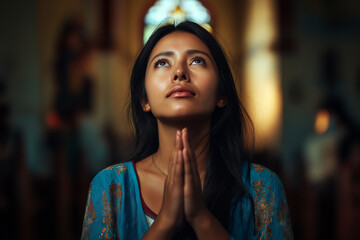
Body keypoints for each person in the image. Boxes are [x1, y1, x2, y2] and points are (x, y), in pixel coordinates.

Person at [81, 21, 293, 240]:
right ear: (145, 100)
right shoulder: (110, 186)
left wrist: (201, 218)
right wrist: (165, 222)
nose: (179, 72)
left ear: (222, 94)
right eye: (162, 63)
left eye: (197, 61)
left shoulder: (263, 188)